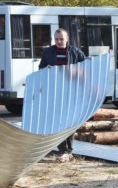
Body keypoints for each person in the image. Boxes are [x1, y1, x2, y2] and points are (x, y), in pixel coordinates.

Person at [39, 28, 85, 163]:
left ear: (67, 39)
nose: (59, 41)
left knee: (70, 122)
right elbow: (41, 68)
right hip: (55, 92)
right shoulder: (48, 52)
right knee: (58, 122)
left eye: (61, 39)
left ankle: (69, 151)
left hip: (72, 92)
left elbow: (86, 68)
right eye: (56, 39)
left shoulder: (76, 52)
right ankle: (62, 150)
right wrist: (45, 70)